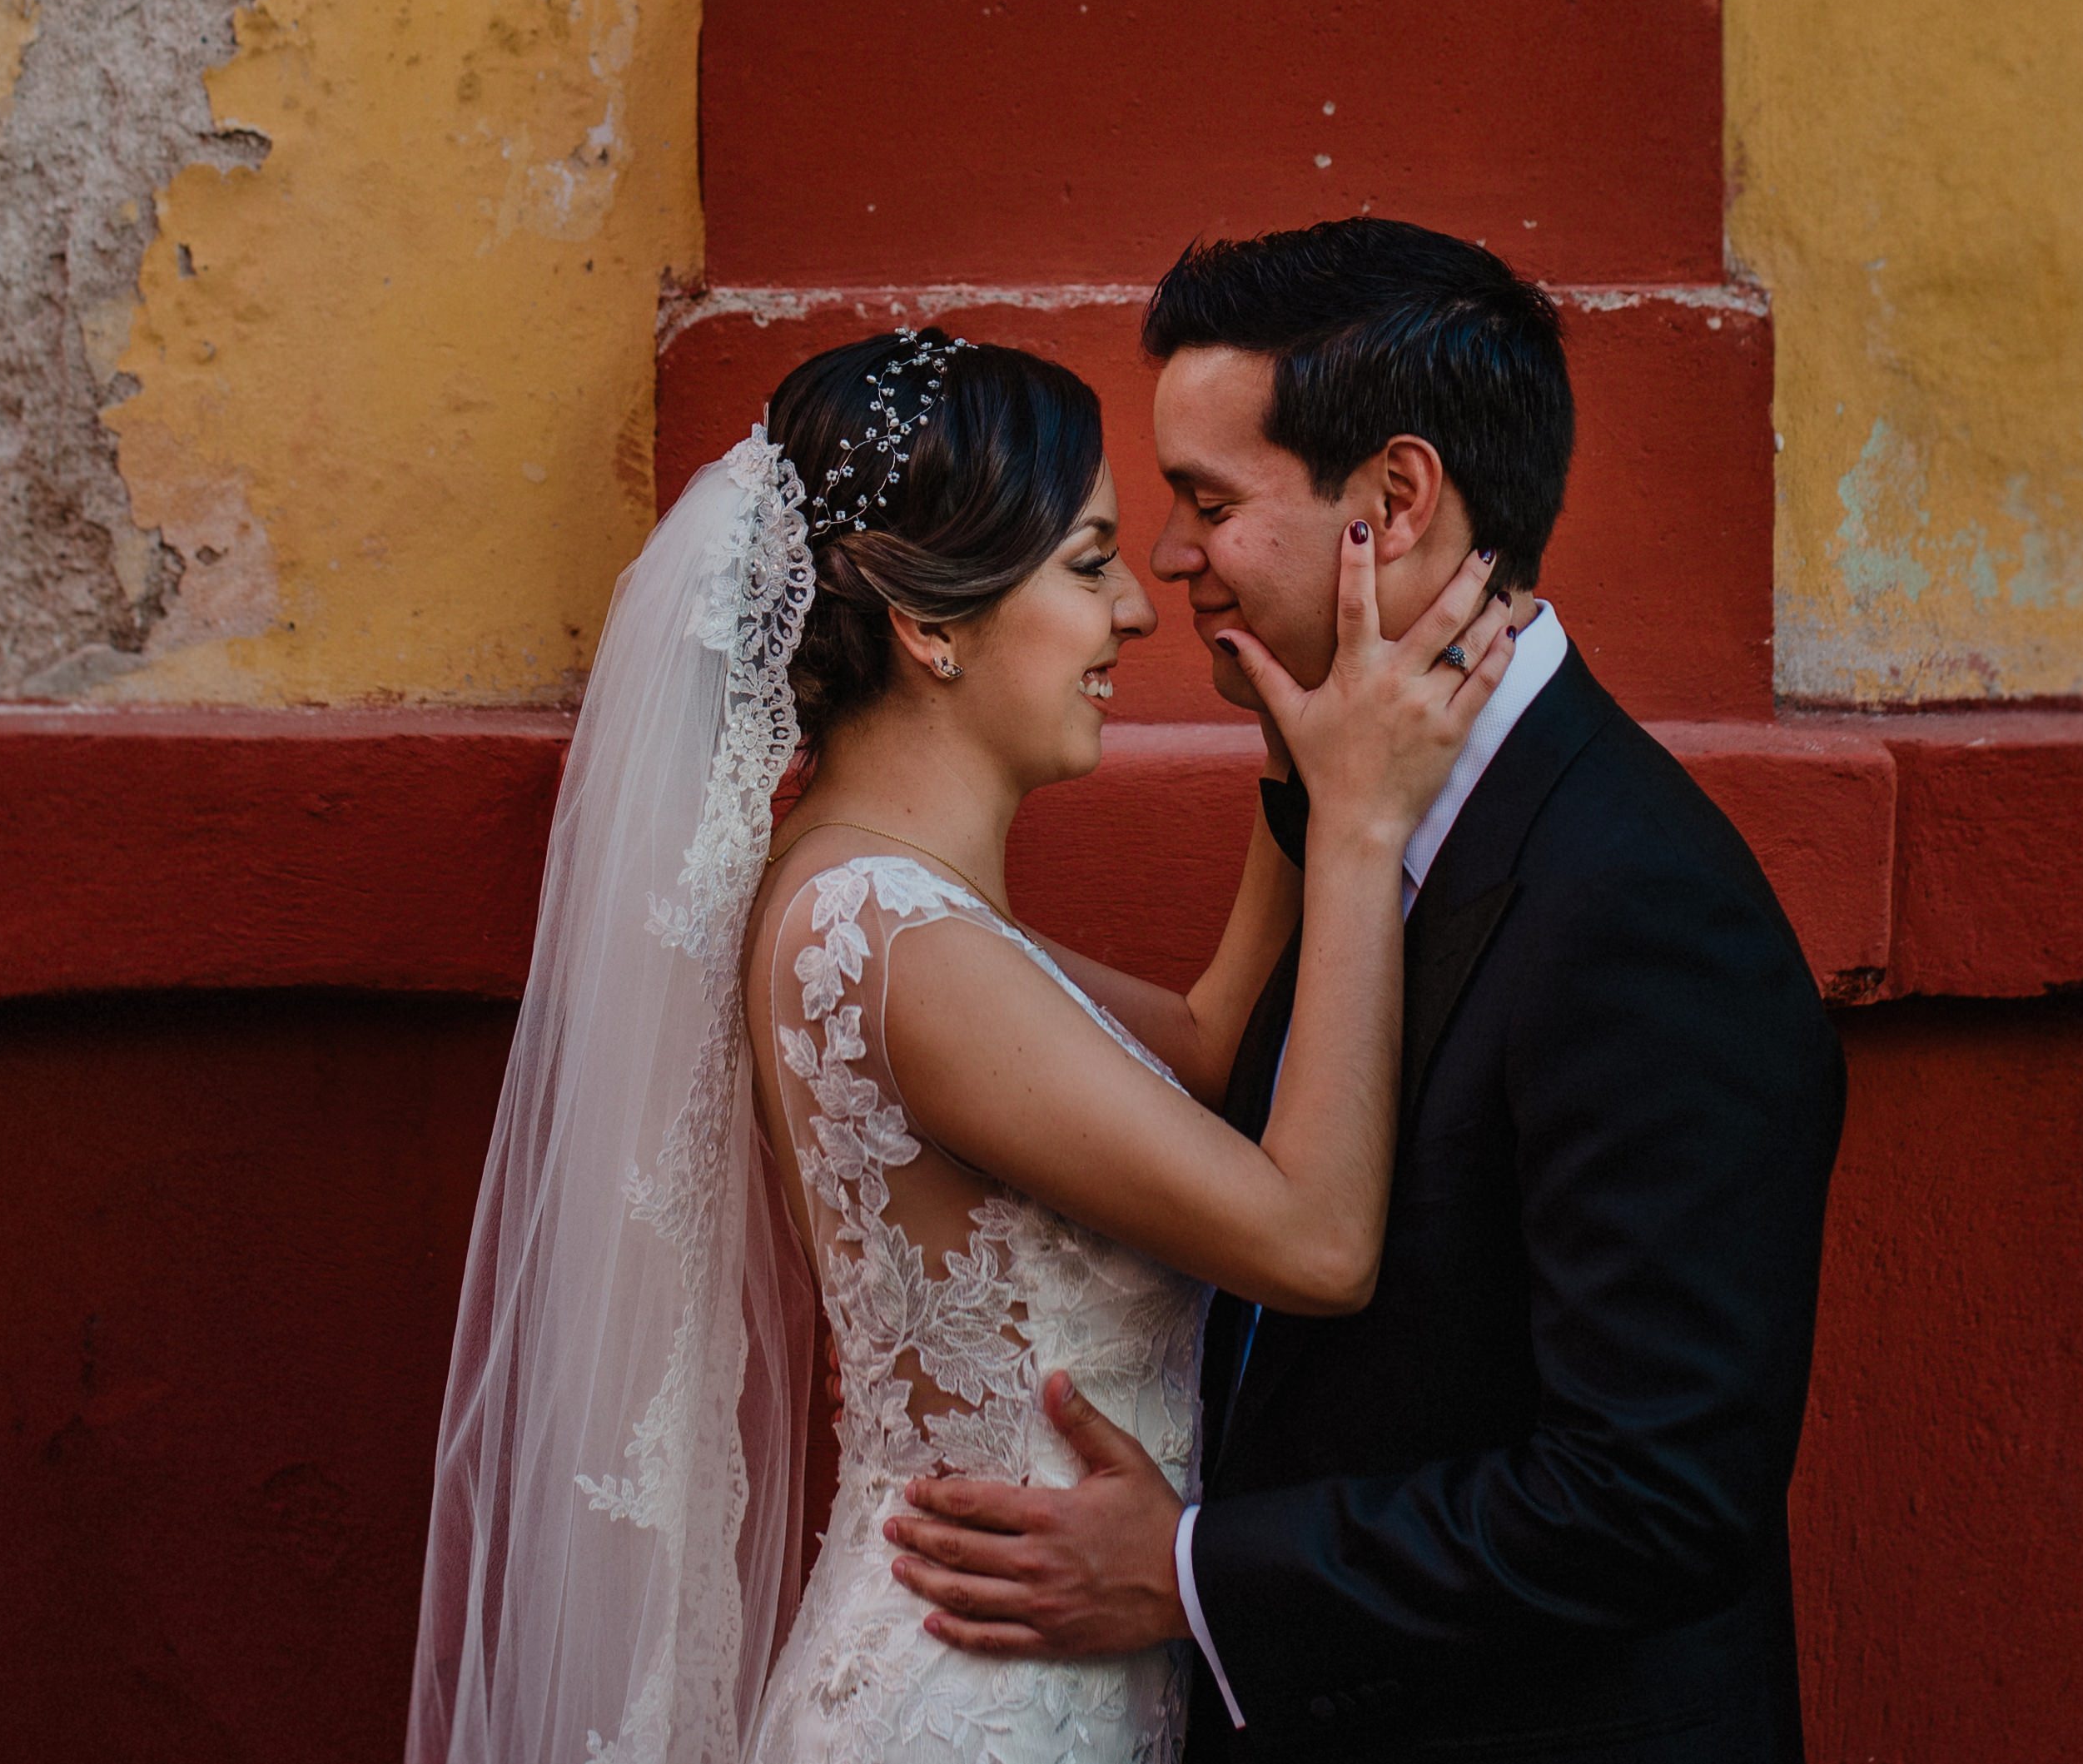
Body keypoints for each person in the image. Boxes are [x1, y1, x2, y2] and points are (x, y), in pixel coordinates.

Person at [409, 320, 1510, 1764]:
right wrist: (1368, 829)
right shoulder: (890, 936)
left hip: (1014, 1674)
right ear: (932, 623)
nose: (1132, 612)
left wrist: (1303, 763)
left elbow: (1200, 1042)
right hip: (978, 1707)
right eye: (1087, 561)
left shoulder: (861, 889)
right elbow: (1313, 1240)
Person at [882, 221, 1851, 1762]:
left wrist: (1189, 1574)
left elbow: (1655, 1497)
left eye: (1207, 502)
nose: (1168, 560)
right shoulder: (1341, 805)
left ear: (1391, 503)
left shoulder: (1640, 905)